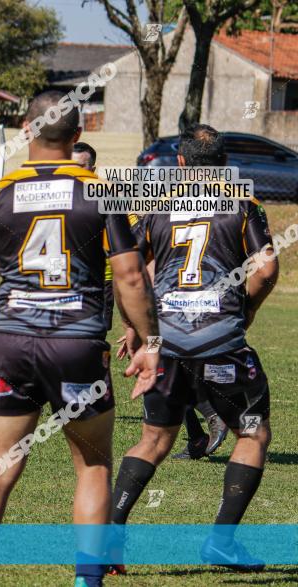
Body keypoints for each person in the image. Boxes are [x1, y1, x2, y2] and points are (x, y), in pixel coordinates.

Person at [0, 91, 160, 587]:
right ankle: (87, 581)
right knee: (92, 467)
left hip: (12, 343)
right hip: (78, 344)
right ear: (77, 136)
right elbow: (131, 278)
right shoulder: (101, 193)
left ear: (27, 130)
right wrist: (150, 342)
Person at [111, 123, 278, 573]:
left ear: (180, 163)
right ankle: (222, 541)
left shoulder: (155, 204)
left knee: (153, 439)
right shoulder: (243, 202)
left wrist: (136, 326)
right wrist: (245, 313)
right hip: (220, 340)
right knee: (252, 433)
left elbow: (132, 273)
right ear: (225, 164)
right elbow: (265, 269)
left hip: (164, 340)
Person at [72, 142, 113, 331]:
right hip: (63, 280)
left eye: (81, 167)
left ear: (93, 169)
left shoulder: (107, 196)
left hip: (100, 281)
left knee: (96, 338)